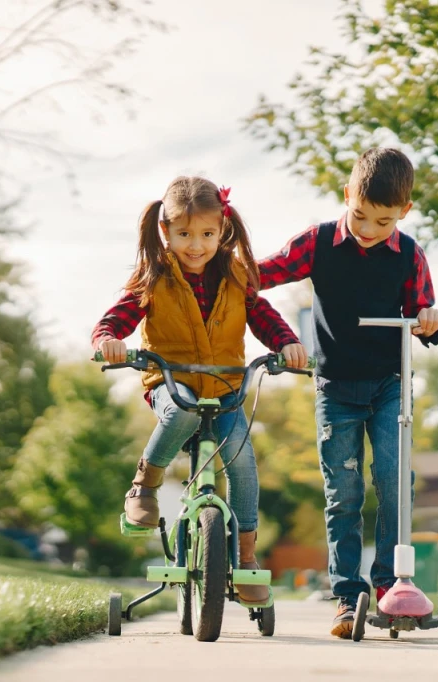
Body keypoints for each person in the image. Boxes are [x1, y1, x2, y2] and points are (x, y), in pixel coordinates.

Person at [92, 175, 307, 605]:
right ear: (165, 232)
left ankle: (246, 558)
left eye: (207, 234)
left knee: (243, 463)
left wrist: (286, 343)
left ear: (222, 230)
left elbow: (261, 315)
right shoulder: (153, 276)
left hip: (226, 388)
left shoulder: (235, 274)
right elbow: (115, 319)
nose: (196, 245)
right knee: (182, 411)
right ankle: (144, 487)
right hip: (171, 385)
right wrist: (108, 342)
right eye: (185, 234)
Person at [257, 148, 438, 637]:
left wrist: (429, 319)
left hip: (389, 386)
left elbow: (422, 314)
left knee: (392, 483)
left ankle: (389, 587)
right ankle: (347, 596)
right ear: (348, 196)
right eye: (360, 215)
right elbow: (264, 273)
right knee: (344, 494)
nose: (367, 229)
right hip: (336, 387)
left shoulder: (408, 254)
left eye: (382, 221)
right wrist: (216, 271)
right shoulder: (319, 242)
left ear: (403, 212)